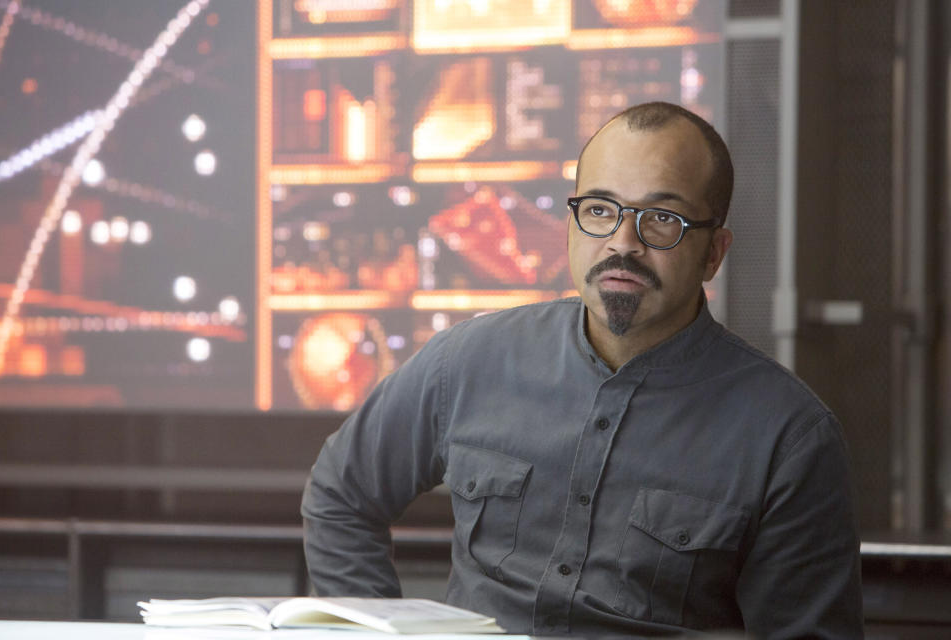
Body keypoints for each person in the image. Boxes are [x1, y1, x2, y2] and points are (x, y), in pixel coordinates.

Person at [301, 101, 864, 638]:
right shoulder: (470, 359)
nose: (623, 243)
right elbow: (342, 494)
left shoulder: (790, 437)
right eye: (599, 210)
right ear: (571, 227)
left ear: (713, 252)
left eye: (661, 219)